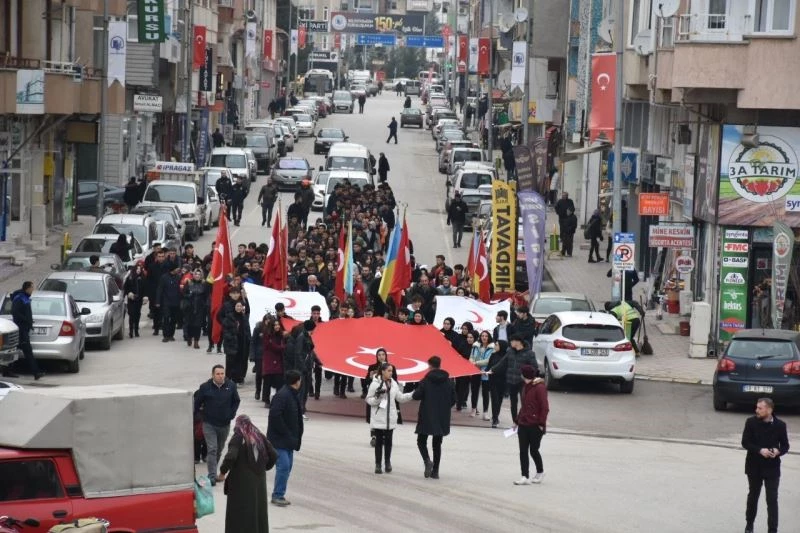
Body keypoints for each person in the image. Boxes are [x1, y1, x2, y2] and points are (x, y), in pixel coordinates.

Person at [218, 415, 277, 533]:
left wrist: (222, 472)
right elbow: (274, 454)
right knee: (257, 511)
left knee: (240, 513)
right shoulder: (259, 436)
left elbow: (231, 456)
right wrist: (263, 468)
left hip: (241, 484)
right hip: (259, 482)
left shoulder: (239, 437)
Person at [741, 398, 790, 533]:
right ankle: (749, 525)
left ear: (769, 410)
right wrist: (759, 450)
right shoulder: (750, 422)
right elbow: (745, 442)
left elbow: (785, 445)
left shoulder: (780, 425)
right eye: (757, 407)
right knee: (753, 496)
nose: (757, 410)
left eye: (760, 408)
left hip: (772, 467)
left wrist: (778, 451)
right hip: (754, 466)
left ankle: (772, 530)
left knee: (772, 499)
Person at [406, 356, 454, 479]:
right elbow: (454, 400)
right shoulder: (449, 381)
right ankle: (436, 471)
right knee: (437, 444)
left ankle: (427, 460)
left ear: (430, 366)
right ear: (440, 365)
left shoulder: (426, 380)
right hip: (442, 416)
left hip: (427, 414)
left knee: (421, 441)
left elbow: (416, 396)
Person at [194, 364, 241, 486]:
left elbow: (236, 401)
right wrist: (199, 416)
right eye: (218, 374)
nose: (221, 376)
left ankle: (213, 470)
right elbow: (196, 403)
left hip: (224, 425)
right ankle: (212, 476)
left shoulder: (231, 386)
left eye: (222, 374)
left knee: (219, 450)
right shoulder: (205, 387)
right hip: (209, 424)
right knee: (212, 449)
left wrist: (231, 414)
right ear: (213, 375)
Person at [365, 362, 411, 474]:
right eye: (389, 371)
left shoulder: (394, 383)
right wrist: (378, 398)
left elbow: (400, 397)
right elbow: (368, 399)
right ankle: (378, 465)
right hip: (379, 418)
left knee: (389, 442)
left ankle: (387, 463)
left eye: (392, 371)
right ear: (383, 371)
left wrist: (413, 394)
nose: (391, 373)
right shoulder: (375, 384)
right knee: (379, 442)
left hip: (390, 419)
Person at [267, 369, 304, 507]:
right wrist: (286, 433)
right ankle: (277, 495)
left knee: (287, 467)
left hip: (289, 440)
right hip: (280, 440)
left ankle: (279, 493)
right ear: (297, 381)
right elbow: (275, 416)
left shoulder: (292, 395)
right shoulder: (283, 396)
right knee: (284, 466)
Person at [514, 365, 549, 485]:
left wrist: (541, 423)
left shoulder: (539, 388)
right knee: (523, 450)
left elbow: (544, 407)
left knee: (534, 450)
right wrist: (517, 420)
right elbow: (523, 406)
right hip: (523, 423)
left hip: (535, 425)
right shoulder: (525, 387)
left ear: (524, 375)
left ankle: (540, 471)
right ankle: (524, 476)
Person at [10, 281, 43, 380]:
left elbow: (24, 312)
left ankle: (7, 371)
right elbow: (15, 312)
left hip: (24, 328)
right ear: (27, 288)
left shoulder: (25, 298)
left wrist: (28, 320)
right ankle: (36, 373)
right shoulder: (20, 298)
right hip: (21, 330)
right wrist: (26, 320)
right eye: (32, 288)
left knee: (14, 350)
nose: (33, 290)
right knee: (28, 352)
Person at [222, 301, 251, 384]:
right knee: (231, 362)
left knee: (241, 361)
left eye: (240, 306)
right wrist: (235, 330)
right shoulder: (229, 317)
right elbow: (226, 331)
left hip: (242, 343)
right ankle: (228, 379)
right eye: (237, 306)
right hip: (232, 343)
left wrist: (248, 338)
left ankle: (238, 378)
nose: (239, 308)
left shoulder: (244, 317)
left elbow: (247, 329)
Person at [262, 317, 287, 407]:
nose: (277, 326)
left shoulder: (281, 336)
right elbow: (274, 347)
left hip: (278, 361)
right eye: (275, 325)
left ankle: (278, 400)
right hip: (270, 361)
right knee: (268, 381)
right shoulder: (267, 336)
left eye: (278, 325)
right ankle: (266, 400)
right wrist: (284, 347)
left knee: (279, 381)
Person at [469, 331, 493, 419]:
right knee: (474, 391)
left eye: (486, 336)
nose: (484, 337)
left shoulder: (492, 348)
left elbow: (488, 360)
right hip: (475, 370)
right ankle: (473, 409)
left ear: (489, 337)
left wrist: (475, 363)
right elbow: (471, 356)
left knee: (485, 392)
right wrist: (471, 362)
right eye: (482, 336)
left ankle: (485, 412)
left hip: (485, 371)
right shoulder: (475, 346)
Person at [182, 269, 207, 349]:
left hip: (199, 308)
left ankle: (196, 341)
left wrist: (204, 304)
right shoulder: (189, 283)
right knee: (189, 325)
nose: (197, 276)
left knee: (198, 325)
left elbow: (206, 296)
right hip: (189, 307)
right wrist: (189, 295)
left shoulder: (204, 284)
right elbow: (183, 293)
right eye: (196, 274)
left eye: (199, 274)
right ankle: (189, 337)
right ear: (193, 275)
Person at [123, 262, 146, 337]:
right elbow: (125, 288)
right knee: (131, 314)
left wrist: (145, 296)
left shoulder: (143, 278)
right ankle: (130, 331)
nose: (139, 270)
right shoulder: (130, 277)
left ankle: (136, 330)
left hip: (139, 299)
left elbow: (145, 288)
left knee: (137, 314)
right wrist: (128, 293)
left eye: (140, 269)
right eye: (137, 269)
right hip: (131, 299)